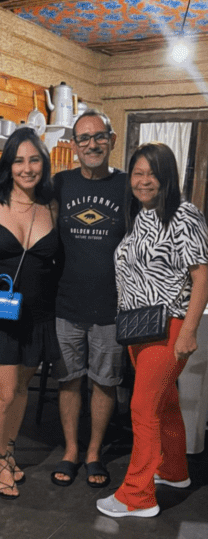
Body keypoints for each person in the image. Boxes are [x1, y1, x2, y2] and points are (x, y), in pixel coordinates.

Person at [95, 143, 208, 517]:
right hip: (138, 327)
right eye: (137, 173)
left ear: (167, 176)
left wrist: (190, 330)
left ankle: (137, 497)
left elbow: (201, 275)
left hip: (169, 326)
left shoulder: (184, 214)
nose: (143, 181)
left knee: (143, 410)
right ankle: (174, 472)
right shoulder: (142, 213)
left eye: (151, 174)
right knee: (166, 403)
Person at [0, 128, 59, 499]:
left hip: (38, 313)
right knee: (4, 394)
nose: (27, 168)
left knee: (22, 388)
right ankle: (1, 462)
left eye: (34, 159)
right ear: (8, 163)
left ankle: (10, 452)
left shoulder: (51, 206)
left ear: (44, 163)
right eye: (19, 160)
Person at [50, 109, 129, 488]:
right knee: (68, 380)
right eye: (84, 138)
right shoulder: (60, 183)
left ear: (112, 140)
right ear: (75, 145)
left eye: (99, 136)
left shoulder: (130, 186)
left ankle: (94, 452)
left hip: (113, 307)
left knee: (104, 382)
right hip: (66, 303)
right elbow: (24, 209)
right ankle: (70, 450)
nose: (92, 144)